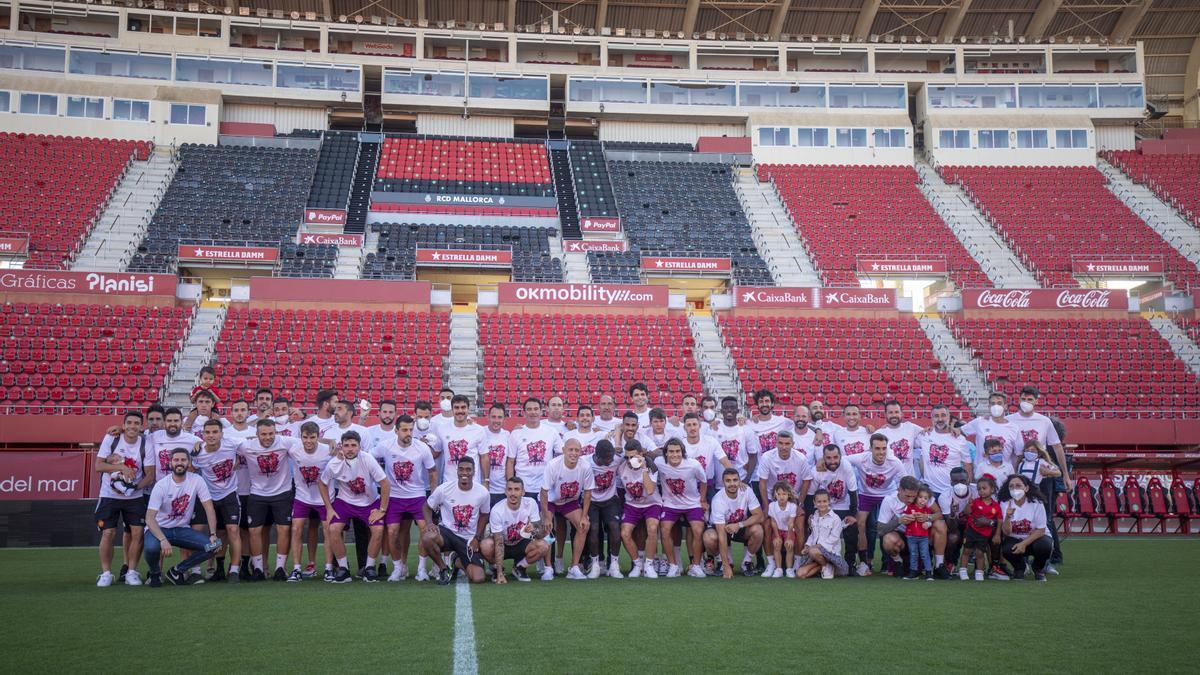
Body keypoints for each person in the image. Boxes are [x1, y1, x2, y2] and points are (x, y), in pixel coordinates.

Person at [1008, 386, 1071, 572]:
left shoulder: (1044, 421)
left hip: (1041, 478)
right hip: (1019, 476)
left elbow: (1057, 447)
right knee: (1018, 516)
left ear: (1036, 401)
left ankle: (1047, 560)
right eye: (1023, 398)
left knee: (1045, 518)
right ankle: (1020, 559)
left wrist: (1065, 474)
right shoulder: (1010, 421)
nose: (1026, 402)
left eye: (1030, 399)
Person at [234, 418, 301, 581]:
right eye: (263, 434)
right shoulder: (246, 445)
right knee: (254, 531)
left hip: (283, 492)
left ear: (275, 432)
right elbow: (221, 442)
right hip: (257, 493)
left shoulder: (285, 441)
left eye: (271, 433)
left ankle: (280, 568)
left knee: (283, 529)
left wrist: (331, 442)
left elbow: (308, 439)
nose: (267, 437)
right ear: (256, 434)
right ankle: (258, 569)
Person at [143, 448, 221, 587]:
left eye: (183, 460)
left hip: (181, 529)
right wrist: (162, 539)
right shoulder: (161, 485)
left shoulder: (197, 480)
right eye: (176, 460)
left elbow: (209, 508)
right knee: (151, 548)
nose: (180, 463)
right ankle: (154, 574)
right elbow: (149, 518)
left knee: (214, 545)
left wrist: (213, 534)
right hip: (160, 529)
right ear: (170, 463)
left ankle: (177, 570)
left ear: (189, 462)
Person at [319, 431, 389, 583]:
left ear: (359, 447)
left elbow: (384, 483)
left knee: (378, 530)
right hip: (345, 501)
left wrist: (382, 509)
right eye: (346, 446)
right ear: (341, 447)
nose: (350, 449)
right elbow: (322, 483)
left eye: (353, 445)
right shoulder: (333, 464)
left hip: (369, 502)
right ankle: (343, 569)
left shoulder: (368, 459)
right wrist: (329, 508)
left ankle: (369, 568)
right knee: (333, 529)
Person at [94, 411, 150, 587]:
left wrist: (133, 488)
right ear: (123, 425)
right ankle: (106, 573)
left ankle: (132, 572)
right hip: (109, 495)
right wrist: (121, 467)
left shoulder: (145, 443)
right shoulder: (112, 438)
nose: (133, 426)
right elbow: (99, 465)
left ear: (142, 427)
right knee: (108, 533)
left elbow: (150, 474)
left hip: (134, 497)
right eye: (129, 423)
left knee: (137, 532)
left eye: (137, 423)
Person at [381, 415, 438, 582]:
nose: (408, 433)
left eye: (411, 430)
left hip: (417, 496)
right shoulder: (385, 447)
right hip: (395, 497)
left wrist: (433, 497)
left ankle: (421, 569)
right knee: (392, 532)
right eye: (404, 430)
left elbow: (433, 471)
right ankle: (398, 568)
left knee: (424, 530)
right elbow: (369, 460)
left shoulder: (422, 448)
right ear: (396, 430)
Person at [422, 457, 492, 585]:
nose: (464, 473)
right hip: (447, 533)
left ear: (474, 472)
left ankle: (457, 561)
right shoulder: (444, 489)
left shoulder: (483, 492)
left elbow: (484, 514)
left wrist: (477, 537)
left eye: (468, 470)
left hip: (468, 539)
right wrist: (430, 523)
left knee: (478, 578)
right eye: (461, 469)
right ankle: (444, 569)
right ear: (457, 471)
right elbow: (427, 507)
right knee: (427, 537)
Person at [189, 419, 243, 583]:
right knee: (211, 532)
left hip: (229, 494)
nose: (211, 435)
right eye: (208, 432)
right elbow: (191, 469)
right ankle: (210, 569)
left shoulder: (232, 444)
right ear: (203, 434)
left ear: (221, 433)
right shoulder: (198, 454)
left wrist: (238, 460)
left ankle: (234, 570)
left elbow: (250, 444)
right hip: (208, 496)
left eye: (214, 432)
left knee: (233, 530)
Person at [848, 433, 909, 575]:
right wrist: (821, 463)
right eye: (877, 448)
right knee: (860, 524)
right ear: (870, 449)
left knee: (885, 525)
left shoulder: (894, 462)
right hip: (866, 495)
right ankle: (864, 562)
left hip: (887, 495)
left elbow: (905, 482)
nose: (881, 452)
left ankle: (888, 562)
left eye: (884, 448)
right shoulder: (861, 458)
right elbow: (842, 460)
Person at [757, 430, 813, 576]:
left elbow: (807, 480)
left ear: (793, 444)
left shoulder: (800, 458)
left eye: (787, 443)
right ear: (776, 443)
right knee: (767, 525)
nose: (783, 447)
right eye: (780, 443)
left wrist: (799, 503)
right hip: (773, 499)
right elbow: (762, 483)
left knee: (800, 525)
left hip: (793, 499)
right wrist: (766, 506)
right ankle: (771, 564)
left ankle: (796, 563)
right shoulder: (767, 457)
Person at [284, 421, 334, 582]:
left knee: (328, 530)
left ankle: (328, 568)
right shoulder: (293, 447)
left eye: (312, 437)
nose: (308, 441)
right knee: (296, 529)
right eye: (305, 437)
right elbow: (272, 438)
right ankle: (297, 569)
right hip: (302, 496)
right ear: (300, 436)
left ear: (318, 437)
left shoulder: (328, 450)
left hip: (324, 497)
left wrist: (330, 442)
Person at [877, 476, 952, 579]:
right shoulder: (889, 500)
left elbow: (939, 514)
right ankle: (898, 562)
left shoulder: (922, 495)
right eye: (907, 496)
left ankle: (939, 565)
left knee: (940, 524)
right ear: (899, 490)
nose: (911, 499)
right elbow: (880, 529)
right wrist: (899, 521)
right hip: (904, 538)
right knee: (888, 539)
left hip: (923, 536)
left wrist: (928, 517)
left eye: (914, 496)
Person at [540, 438, 594, 580]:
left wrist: (584, 515)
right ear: (563, 450)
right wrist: (546, 516)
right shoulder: (553, 465)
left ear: (580, 452)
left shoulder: (585, 466)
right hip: (552, 501)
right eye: (570, 449)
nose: (573, 453)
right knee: (547, 527)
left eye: (577, 450)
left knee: (584, 525)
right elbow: (544, 492)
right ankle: (548, 568)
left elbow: (588, 492)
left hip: (570, 501)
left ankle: (574, 567)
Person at [655, 438, 708, 578]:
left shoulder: (693, 465)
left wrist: (702, 500)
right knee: (664, 530)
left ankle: (696, 565)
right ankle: (673, 566)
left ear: (682, 452)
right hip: (670, 504)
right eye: (671, 451)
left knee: (698, 530)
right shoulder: (659, 462)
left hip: (692, 504)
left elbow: (703, 481)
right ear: (665, 453)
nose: (674, 455)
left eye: (677, 451)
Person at [484, 476, 550, 583]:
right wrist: (500, 573)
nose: (513, 493)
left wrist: (534, 529)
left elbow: (540, 535)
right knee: (486, 545)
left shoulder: (531, 503)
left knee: (544, 545)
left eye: (517, 489)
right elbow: (499, 542)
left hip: (522, 543)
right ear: (505, 492)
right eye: (510, 489)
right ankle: (497, 570)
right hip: (503, 544)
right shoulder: (497, 510)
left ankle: (520, 567)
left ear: (523, 492)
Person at [704, 467, 765, 579]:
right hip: (722, 530)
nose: (732, 484)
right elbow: (722, 535)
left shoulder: (747, 491)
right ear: (723, 483)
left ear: (739, 480)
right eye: (728, 481)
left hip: (740, 527)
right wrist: (726, 565)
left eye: (735, 480)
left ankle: (746, 562)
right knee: (709, 537)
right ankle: (722, 563)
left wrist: (739, 525)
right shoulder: (718, 500)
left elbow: (760, 516)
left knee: (758, 530)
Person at [808, 444, 859, 568]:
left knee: (852, 528)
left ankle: (850, 563)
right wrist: (810, 515)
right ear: (823, 458)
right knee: (812, 527)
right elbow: (810, 496)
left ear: (840, 456)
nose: (832, 461)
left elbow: (853, 492)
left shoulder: (846, 466)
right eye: (829, 458)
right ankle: (817, 561)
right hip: (824, 507)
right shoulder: (816, 471)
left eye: (835, 457)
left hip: (843, 505)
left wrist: (852, 515)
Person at [618, 440, 660, 579]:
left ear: (641, 454)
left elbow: (649, 490)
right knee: (624, 533)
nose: (630, 461)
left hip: (651, 504)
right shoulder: (622, 467)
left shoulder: (651, 467)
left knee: (652, 529)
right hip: (632, 505)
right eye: (627, 457)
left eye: (633, 457)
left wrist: (643, 468)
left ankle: (649, 564)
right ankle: (637, 564)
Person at [999, 473, 1052, 581]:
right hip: (1014, 538)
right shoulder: (1004, 504)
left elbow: (1041, 530)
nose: (1014, 489)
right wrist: (1008, 517)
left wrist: (1023, 544)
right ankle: (1019, 568)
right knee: (1006, 549)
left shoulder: (1037, 503)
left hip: (1035, 539)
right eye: (1011, 486)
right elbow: (1006, 532)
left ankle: (1038, 568)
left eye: (1018, 485)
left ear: (1026, 488)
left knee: (1044, 545)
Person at [585, 439, 623, 579]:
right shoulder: (586, 462)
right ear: (598, 456)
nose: (610, 461)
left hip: (610, 499)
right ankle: (595, 565)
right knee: (593, 528)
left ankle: (614, 564)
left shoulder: (616, 459)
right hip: (592, 500)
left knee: (614, 527)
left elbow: (636, 454)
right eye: (607, 459)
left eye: (611, 457)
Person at [915, 405, 972, 498]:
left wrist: (966, 487)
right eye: (936, 416)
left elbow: (968, 465)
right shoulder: (924, 435)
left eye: (943, 415)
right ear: (932, 418)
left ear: (948, 417)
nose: (940, 419)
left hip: (953, 491)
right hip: (930, 492)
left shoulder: (960, 439)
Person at [796, 489, 852, 579]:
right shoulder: (814, 516)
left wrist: (817, 546)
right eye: (819, 502)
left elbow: (834, 539)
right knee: (800, 574)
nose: (822, 504)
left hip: (830, 553)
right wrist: (807, 545)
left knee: (813, 551)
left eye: (825, 501)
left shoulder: (835, 519)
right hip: (815, 554)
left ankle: (830, 564)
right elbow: (813, 535)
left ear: (829, 501)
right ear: (814, 502)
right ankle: (824, 567)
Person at [957, 476, 1002, 581]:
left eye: (984, 488)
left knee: (980, 553)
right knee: (967, 551)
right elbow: (967, 512)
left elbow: (999, 520)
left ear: (992, 489)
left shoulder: (996, 506)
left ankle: (979, 573)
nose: (981, 491)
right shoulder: (976, 502)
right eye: (979, 489)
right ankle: (963, 571)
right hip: (971, 531)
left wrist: (997, 534)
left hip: (984, 534)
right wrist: (969, 504)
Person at [961, 392, 1023, 465]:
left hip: (1004, 472)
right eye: (993, 404)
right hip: (982, 472)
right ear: (989, 407)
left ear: (1005, 406)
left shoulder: (1014, 428)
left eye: (999, 403)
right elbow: (960, 432)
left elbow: (1019, 453)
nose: (996, 406)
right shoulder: (980, 422)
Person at [712, 396, 760, 482]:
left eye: (732, 407)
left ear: (737, 410)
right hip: (719, 483)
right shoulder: (714, 430)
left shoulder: (746, 430)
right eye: (726, 408)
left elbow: (753, 456)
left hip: (742, 480)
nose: (729, 410)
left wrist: (747, 479)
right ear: (721, 410)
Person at [147, 408, 200, 483]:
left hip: (185, 487)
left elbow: (208, 446)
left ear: (181, 422)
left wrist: (201, 443)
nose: (172, 424)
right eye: (169, 421)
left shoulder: (193, 440)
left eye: (176, 421)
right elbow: (138, 438)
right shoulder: (155, 436)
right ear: (164, 422)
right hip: (162, 486)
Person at [877, 400, 923, 476]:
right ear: (885, 414)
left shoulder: (911, 427)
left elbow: (928, 434)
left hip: (909, 481)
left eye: (896, 412)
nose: (894, 415)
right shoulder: (879, 433)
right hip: (889, 483)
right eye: (890, 412)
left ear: (901, 413)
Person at [482, 404, 515, 506]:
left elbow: (510, 461)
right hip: (483, 487)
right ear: (488, 417)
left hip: (501, 489)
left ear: (504, 419)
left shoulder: (508, 435)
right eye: (493, 417)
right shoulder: (480, 432)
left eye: (500, 417)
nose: (496, 420)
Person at [765, 481, 798, 578]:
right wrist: (777, 536)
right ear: (775, 495)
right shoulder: (772, 506)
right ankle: (778, 569)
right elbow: (773, 522)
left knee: (789, 546)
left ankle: (789, 569)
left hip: (789, 530)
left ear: (789, 494)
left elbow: (791, 523)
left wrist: (788, 537)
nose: (781, 496)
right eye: (778, 494)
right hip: (778, 529)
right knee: (777, 545)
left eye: (784, 494)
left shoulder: (792, 506)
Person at [903, 486, 936, 580]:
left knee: (925, 554)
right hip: (911, 535)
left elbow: (930, 520)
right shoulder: (910, 507)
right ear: (916, 497)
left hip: (923, 537)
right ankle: (913, 572)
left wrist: (928, 524)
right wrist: (908, 517)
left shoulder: (927, 510)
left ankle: (928, 572)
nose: (923, 500)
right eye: (920, 497)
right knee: (913, 554)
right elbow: (903, 515)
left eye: (925, 498)